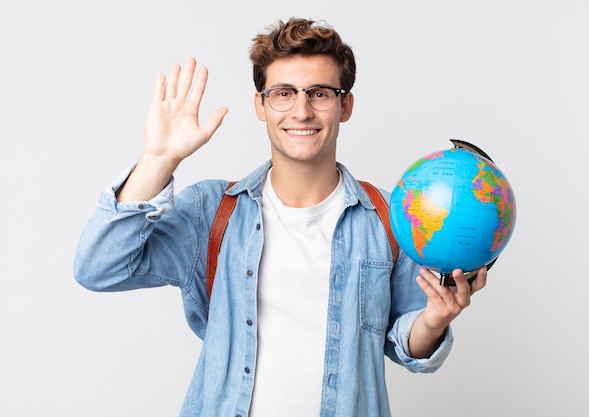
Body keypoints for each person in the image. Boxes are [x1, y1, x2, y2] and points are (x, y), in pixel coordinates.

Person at [74, 17, 487, 417]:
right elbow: (99, 267)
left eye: (320, 93)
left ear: (346, 105)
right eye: (283, 93)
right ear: (261, 105)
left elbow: (406, 345)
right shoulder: (213, 212)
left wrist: (435, 319)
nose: (302, 111)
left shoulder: (390, 216)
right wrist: (158, 159)